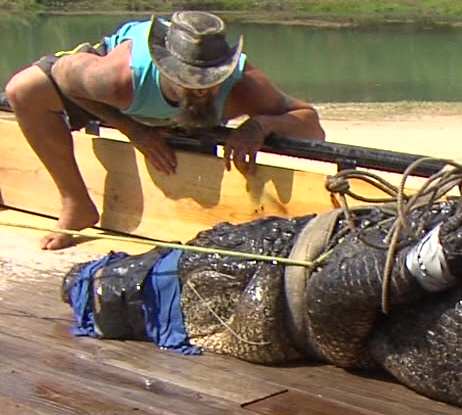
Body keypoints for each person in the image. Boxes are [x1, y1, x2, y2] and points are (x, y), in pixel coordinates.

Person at [3, 10, 325, 250]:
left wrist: (261, 125)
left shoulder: (243, 85)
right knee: (24, 90)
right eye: (189, 83)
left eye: (211, 83)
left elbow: (311, 124)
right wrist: (132, 130)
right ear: (163, 68)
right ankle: (75, 203)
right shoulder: (115, 77)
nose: (201, 91)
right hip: (127, 104)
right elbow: (62, 75)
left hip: (176, 119)